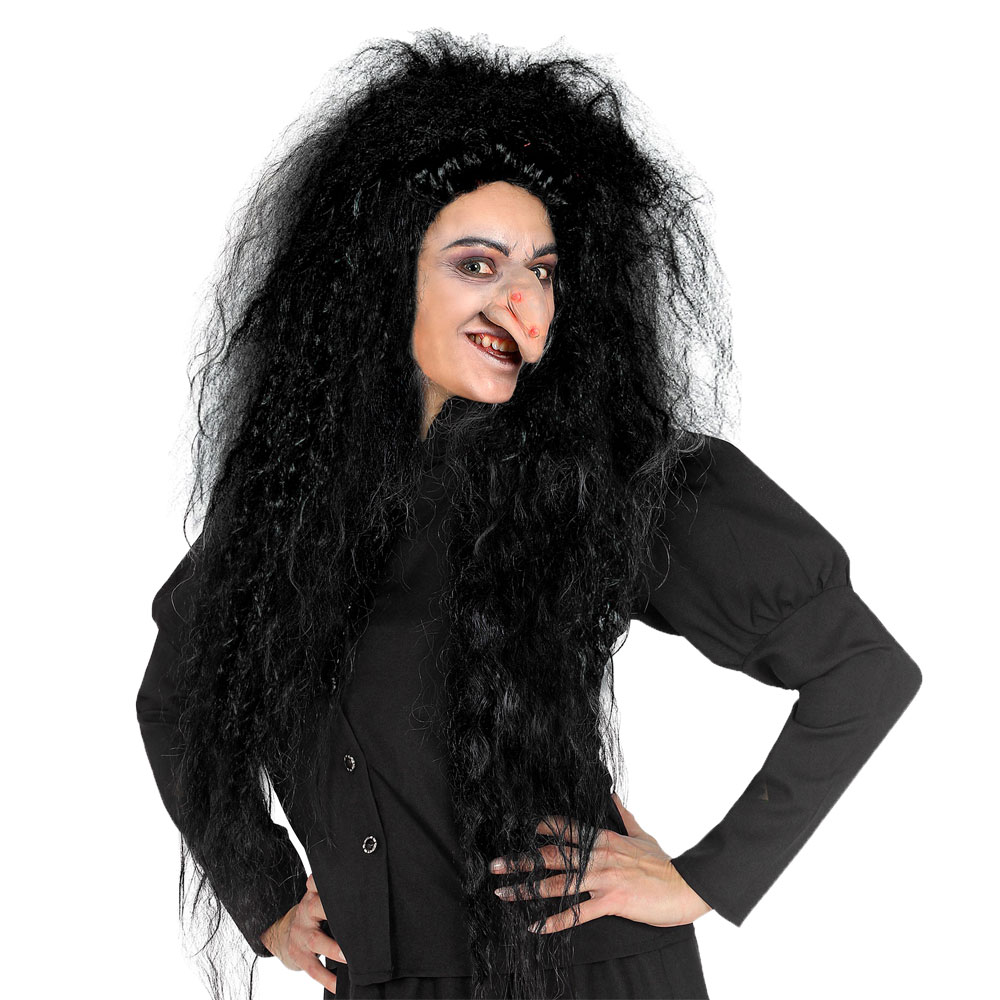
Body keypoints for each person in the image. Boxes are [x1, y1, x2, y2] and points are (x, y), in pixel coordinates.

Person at [135, 30, 923, 1000]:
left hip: (577, 973)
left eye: (543, 272)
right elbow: (177, 699)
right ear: (381, 271)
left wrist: (705, 878)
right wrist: (265, 894)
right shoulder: (286, 501)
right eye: (478, 263)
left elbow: (860, 668)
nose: (523, 304)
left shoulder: (606, 475)